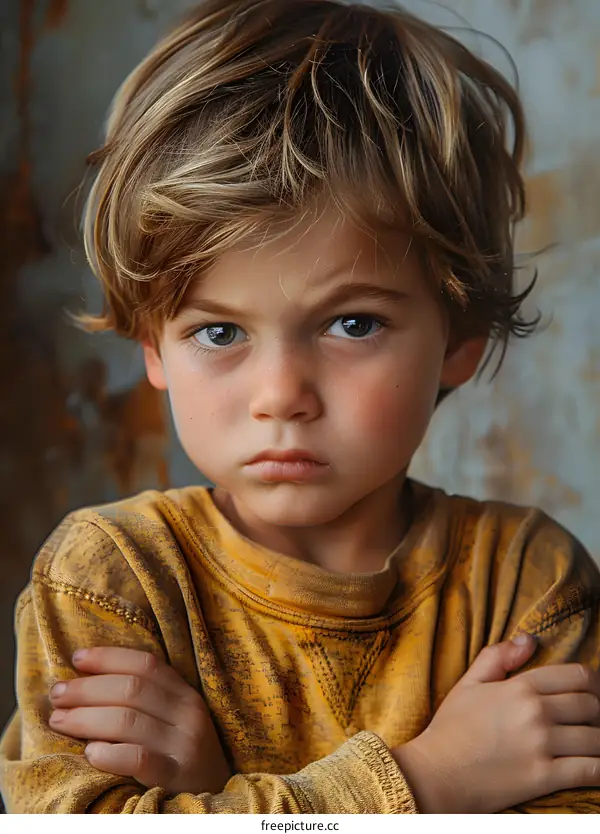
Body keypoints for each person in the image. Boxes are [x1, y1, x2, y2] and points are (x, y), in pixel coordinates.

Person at [1, 0, 600, 815]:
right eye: (218, 331)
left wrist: (218, 801)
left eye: (353, 324)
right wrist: (430, 783)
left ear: (460, 334)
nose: (281, 395)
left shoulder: (525, 583)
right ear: (153, 345)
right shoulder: (112, 580)